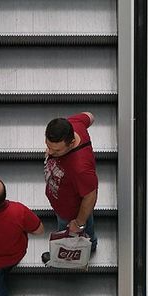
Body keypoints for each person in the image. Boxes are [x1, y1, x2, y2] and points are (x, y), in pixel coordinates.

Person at [43, 111, 98, 263]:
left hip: (70, 210)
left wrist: (78, 222)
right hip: (61, 199)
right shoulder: (74, 125)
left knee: (71, 231)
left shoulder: (80, 168)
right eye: (48, 146)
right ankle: (89, 242)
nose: (51, 153)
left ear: (72, 143)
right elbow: (89, 116)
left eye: (57, 150)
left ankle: (83, 249)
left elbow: (90, 196)